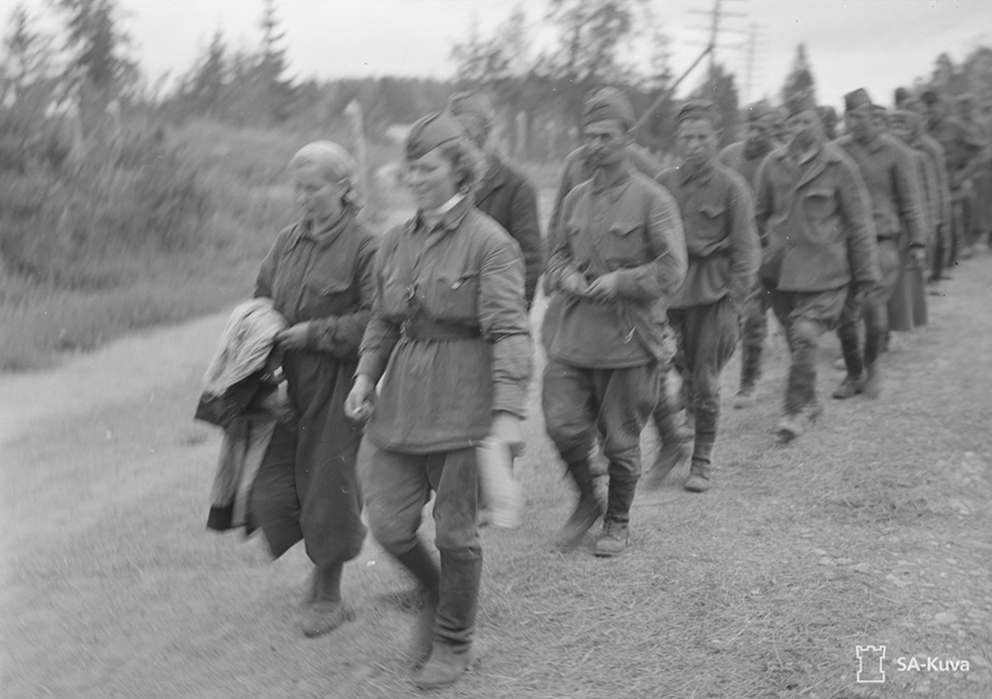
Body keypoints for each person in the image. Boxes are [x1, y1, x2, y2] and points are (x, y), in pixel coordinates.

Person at [345, 112, 532, 689]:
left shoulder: (490, 243)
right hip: (403, 402)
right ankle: (434, 588)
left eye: (428, 168)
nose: (416, 178)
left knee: (456, 532)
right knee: (390, 525)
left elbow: (510, 332)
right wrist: (364, 377)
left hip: (464, 407)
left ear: (460, 171)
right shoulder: (397, 240)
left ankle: (454, 640)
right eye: (411, 169)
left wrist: (505, 413)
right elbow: (382, 319)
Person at [542, 88, 687, 555]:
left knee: (621, 440)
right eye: (589, 137)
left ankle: (617, 520)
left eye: (606, 136)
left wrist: (623, 281)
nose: (595, 145)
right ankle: (588, 499)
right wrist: (564, 275)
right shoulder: (575, 200)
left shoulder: (653, 199)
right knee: (562, 423)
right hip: (575, 333)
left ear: (629, 138)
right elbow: (558, 255)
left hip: (628, 337)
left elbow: (672, 269)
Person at [249, 141, 376, 637]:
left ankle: (330, 591)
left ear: (344, 188)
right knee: (275, 486)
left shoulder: (366, 245)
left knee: (328, 482)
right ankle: (321, 568)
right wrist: (266, 366)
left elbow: (376, 320)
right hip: (287, 379)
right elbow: (262, 297)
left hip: (338, 380)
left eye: (313, 187)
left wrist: (315, 334)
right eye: (296, 187)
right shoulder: (287, 241)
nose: (301, 197)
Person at [753, 92, 879, 441]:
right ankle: (809, 402)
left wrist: (866, 271)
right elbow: (758, 215)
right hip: (779, 272)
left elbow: (859, 222)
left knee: (806, 335)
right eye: (793, 122)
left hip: (826, 272)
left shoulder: (840, 167)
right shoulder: (772, 165)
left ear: (820, 123)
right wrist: (756, 258)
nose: (799, 128)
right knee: (797, 343)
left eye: (806, 120)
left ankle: (794, 412)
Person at [649, 100, 759, 492]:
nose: (694, 145)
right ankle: (673, 443)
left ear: (717, 139)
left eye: (702, 137)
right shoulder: (664, 183)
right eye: (686, 138)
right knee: (658, 374)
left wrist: (734, 301)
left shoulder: (732, 187)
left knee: (706, 382)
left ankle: (702, 459)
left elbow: (747, 251)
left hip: (712, 296)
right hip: (670, 295)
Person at [832, 89, 926, 399]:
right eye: (849, 117)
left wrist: (918, 243)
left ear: (874, 117)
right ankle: (854, 372)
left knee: (873, 310)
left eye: (858, 117)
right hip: (844, 244)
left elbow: (911, 201)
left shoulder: (896, 152)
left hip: (882, 244)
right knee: (846, 315)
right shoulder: (836, 151)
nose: (853, 123)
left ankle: (871, 366)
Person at [447, 91, 543, 308]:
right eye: (453, 134)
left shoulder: (516, 188)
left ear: (487, 131)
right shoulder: (447, 185)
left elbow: (531, 262)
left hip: (495, 312)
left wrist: (509, 318)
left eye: (468, 132)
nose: (461, 142)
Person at [719, 101, 778, 408]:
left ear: (774, 130)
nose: (754, 135)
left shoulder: (781, 160)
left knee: (753, 315)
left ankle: (748, 382)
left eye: (762, 129)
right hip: (726, 249)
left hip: (765, 250)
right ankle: (692, 390)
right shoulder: (729, 155)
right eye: (750, 128)